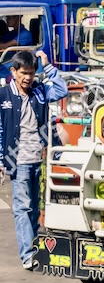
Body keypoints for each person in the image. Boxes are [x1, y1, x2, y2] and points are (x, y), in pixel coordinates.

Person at [0, 50, 68, 270]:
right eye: (23, 73)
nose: (28, 78)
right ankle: (27, 254)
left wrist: (47, 65)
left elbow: (61, 89)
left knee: (34, 209)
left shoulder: (39, 92)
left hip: (38, 158)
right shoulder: (3, 96)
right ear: (14, 72)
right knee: (23, 207)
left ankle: (32, 248)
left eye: (31, 73)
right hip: (16, 160)